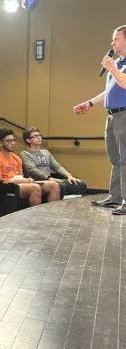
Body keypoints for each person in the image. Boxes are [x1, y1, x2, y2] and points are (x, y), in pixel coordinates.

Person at [73, 25, 126, 213]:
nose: (112, 43)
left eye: (116, 39)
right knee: (116, 159)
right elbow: (111, 90)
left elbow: (125, 83)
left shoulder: (117, 65)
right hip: (112, 115)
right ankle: (116, 196)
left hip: (125, 115)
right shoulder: (118, 63)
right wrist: (90, 103)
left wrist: (112, 67)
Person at [0, 128, 61, 206]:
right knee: (35, 188)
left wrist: (26, 180)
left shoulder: (16, 158)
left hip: (19, 183)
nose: (13, 143)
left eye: (13, 140)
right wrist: (22, 181)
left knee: (54, 185)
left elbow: (20, 176)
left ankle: (50, 214)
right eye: (9, 141)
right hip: (7, 187)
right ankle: (38, 216)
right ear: (1, 143)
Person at [20, 127, 87, 197]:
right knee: (60, 185)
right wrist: (48, 178)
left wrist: (69, 176)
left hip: (50, 180)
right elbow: (32, 170)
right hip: (38, 181)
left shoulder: (46, 152)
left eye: (40, 135)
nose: (39, 138)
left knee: (80, 184)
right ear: (28, 140)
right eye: (35, 136)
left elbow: (56, 166)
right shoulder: (25, 154)